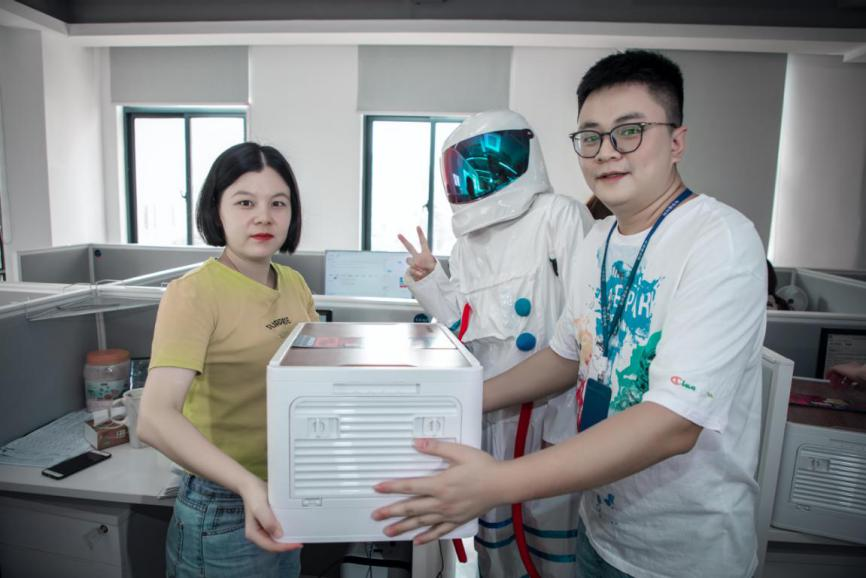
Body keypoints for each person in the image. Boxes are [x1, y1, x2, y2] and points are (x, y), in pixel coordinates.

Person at [374, 50, 767, 578]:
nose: (607, 152)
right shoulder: (599, 239)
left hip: (682, 554)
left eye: (630, 132)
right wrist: (459, 398)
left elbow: (674, 423)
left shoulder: (719, 241)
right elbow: (564, 357)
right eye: (591, 136)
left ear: (677, 141)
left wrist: (496, 482)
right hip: (600, 528)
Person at [398, 109, 592, 577]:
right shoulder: (466, 246)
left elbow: (585, 328)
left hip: (552, 409)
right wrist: (431, 280)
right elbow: (464, 327)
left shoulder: (558, 217)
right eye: (464, 168)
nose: (475, 177)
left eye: (486, 163)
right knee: (496, 540)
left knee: (551, 534)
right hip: (491, 412)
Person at [138, 142, 316, 578]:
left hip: (283, 495)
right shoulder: (194, 293)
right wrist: (247, 485)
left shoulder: (294, 284)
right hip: (224, 507)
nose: (264, 217)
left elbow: (312, 385)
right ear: (217, 211)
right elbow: (154, 418)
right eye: (245, 202)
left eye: (278, 203)